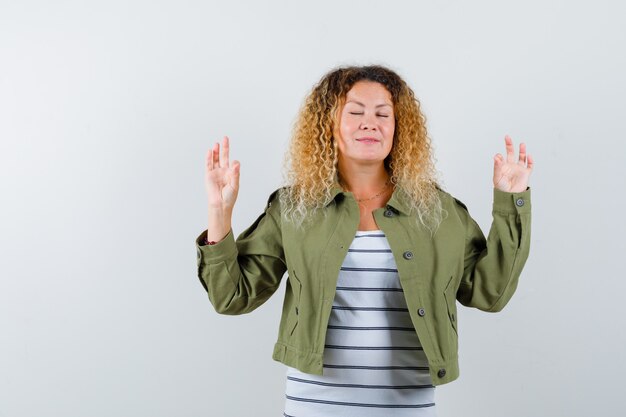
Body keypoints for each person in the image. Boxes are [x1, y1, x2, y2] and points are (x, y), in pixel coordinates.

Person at [195, 65, 533, 416]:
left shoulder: (437, 211)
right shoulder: (294, 208)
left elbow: (490, 293)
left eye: (383, 114)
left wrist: (512, 201)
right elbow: (232, 297)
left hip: (408, 408)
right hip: (315, 407)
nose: (369, 122)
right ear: (329, 124)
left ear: (398, 128)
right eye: (355, 112)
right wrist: (219, 210)